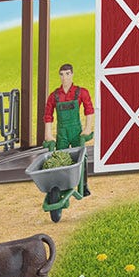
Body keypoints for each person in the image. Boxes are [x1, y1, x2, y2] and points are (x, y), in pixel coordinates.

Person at [42, 63, 95, 196]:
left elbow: (89, 110)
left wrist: (87, 129)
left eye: (67, 74)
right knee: (60, 158)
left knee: (81, 158)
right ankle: (62, 186)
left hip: (76, 133)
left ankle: (83, 185)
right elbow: (48, 116)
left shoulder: (81, 92)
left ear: (72, 74)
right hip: (62, 134)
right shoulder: (54, 96)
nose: (64, 77)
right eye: (61, 74)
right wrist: (48, 134)